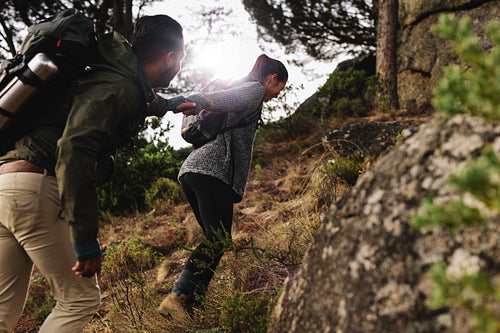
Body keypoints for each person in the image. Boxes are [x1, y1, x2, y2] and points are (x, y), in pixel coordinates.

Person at [0, 14, 193, 332]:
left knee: (3, 308)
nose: (180, 66)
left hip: (8, 184)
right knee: (79, 301)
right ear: (171, 56)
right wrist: (85, 238)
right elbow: (75, 149)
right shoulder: (117, 83)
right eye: (182, 58)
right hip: (37, 188)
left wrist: (168, 105)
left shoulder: (111, 71)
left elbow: (127, 97)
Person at [158, 54, 288, 321]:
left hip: (195, 171)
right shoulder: (253, 88)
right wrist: (198, 101)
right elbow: (231, 99)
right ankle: (179, 297)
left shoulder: (246, 89)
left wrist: (199, 103)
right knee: (217, 239)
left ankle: (190, 305)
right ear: (272, 79)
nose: (276, 95)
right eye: (279, 88)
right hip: (211, 171)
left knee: (215, 240)